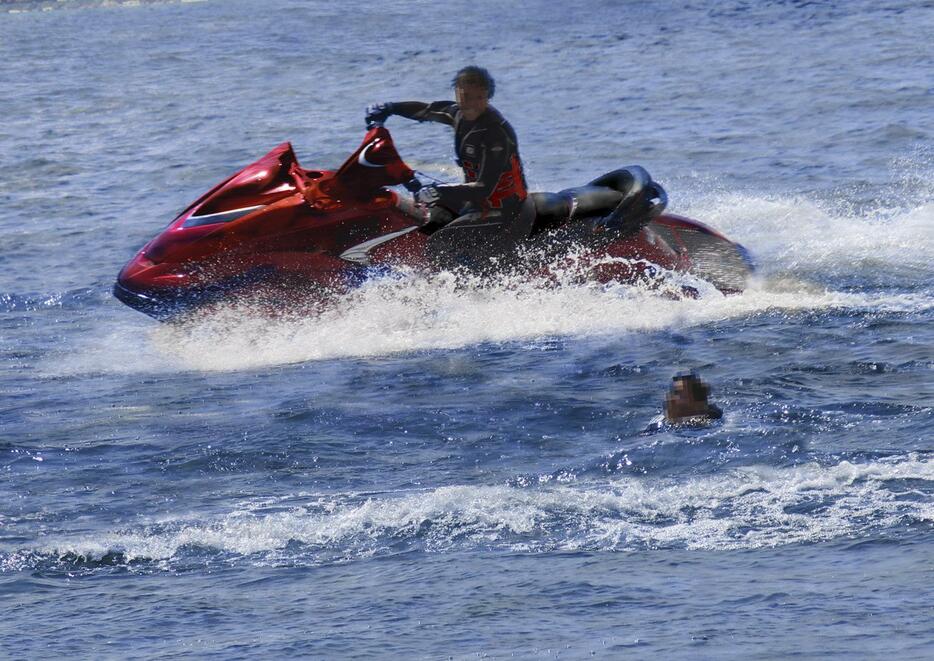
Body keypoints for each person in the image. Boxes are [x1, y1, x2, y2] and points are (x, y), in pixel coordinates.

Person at [365, 66, 533, 268]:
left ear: (487, 96)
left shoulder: (495, 133)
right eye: (466, 96)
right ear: (457, 93)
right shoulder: (458, 114)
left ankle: (465, 288)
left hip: (505, 208)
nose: (471, 103)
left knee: (441, 242)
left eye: (479, 97)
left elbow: (484, 187)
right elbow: (425, 111)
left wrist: (437, 192)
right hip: (476, 203)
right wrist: (389, 108)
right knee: (425, 221)